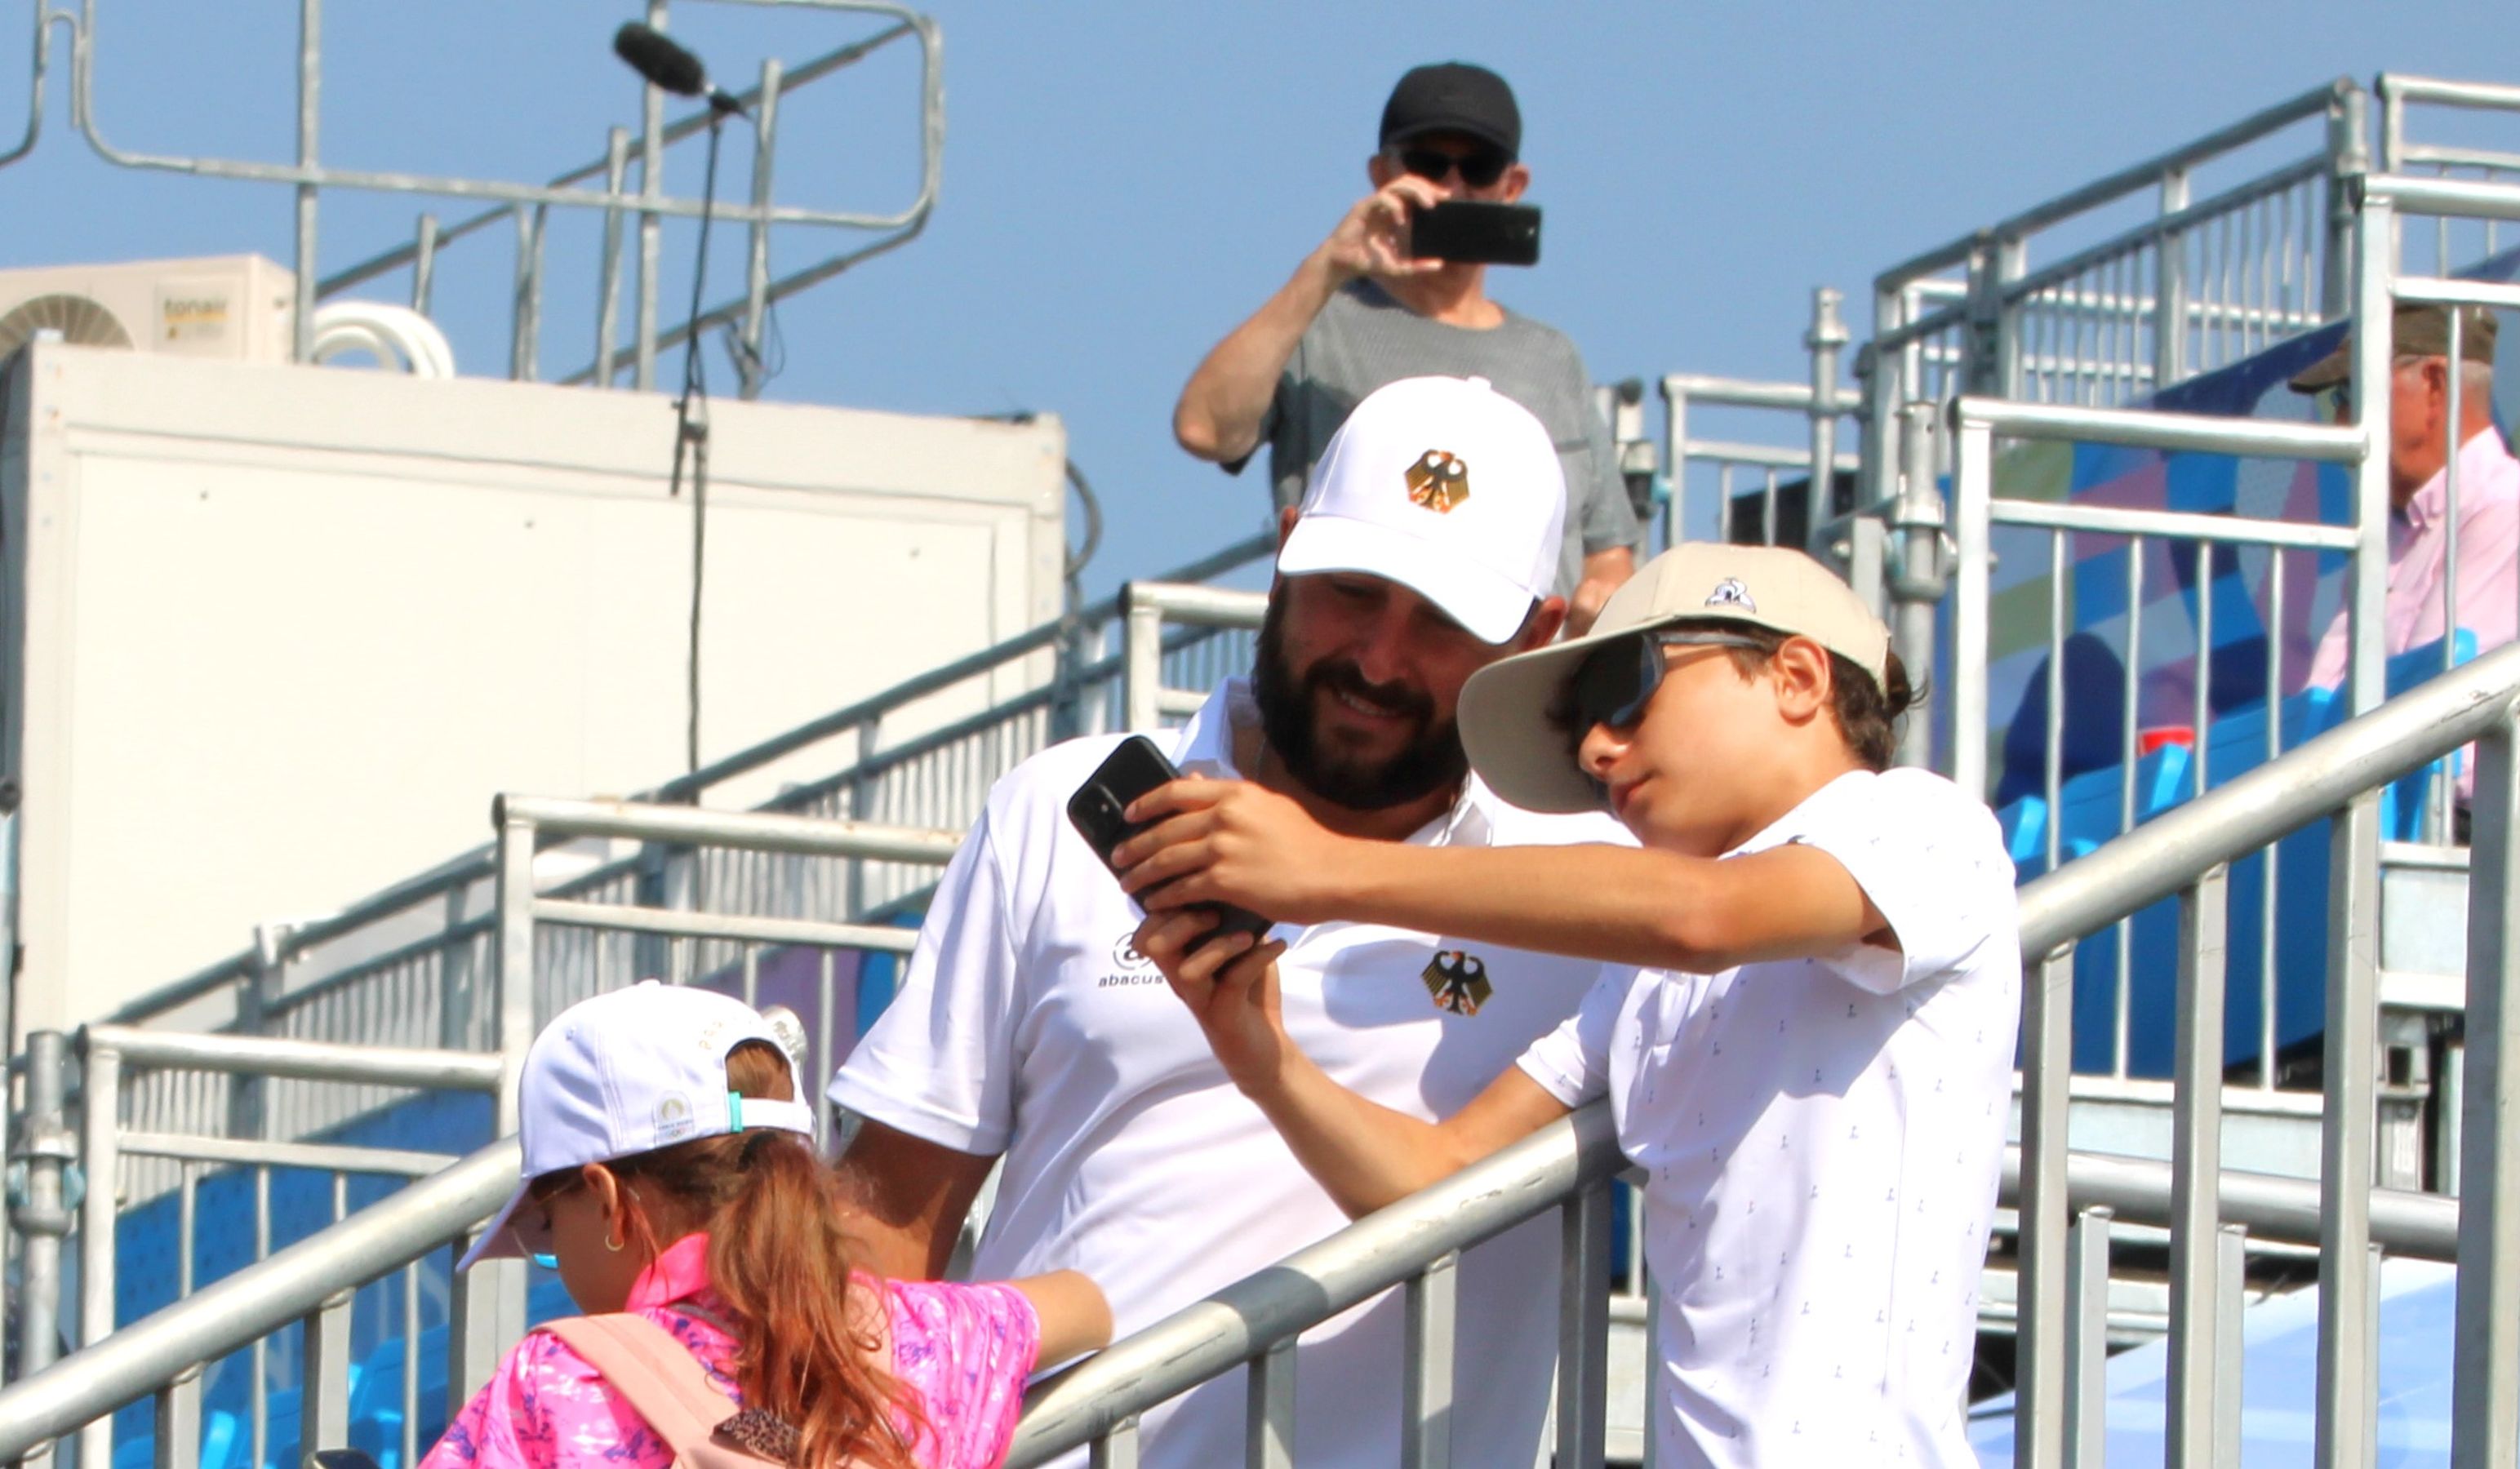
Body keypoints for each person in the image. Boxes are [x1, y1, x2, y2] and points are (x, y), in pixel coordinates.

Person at [832, 375, 1621, 1469]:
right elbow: (890, 1211)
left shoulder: (1607, 897)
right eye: (1353, 590)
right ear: (1284, 549)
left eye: (1441, 621)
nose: (1380, 659)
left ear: (1535, 635)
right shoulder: (1053, 810)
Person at [1118, 543, 2021, 1467]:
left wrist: (1329, 870)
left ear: (1795, 677)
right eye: (1585, 735)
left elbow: (1704, 916)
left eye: (1628, 691)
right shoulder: (1641, 974)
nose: (1597, 749)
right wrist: (1257, 1049)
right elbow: (1440, 1180)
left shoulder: (1922, 822)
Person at [427, 982, 1108, 1469]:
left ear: (608, 1202)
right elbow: (1088, 1307)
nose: (556, 1258)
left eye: (546, 1228)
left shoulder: (553, 1381)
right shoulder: (918, 1338)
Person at [1173, 61, 1639, 635]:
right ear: (1380, 176)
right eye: (1426, 163)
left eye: (1478, 167)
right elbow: (1204, 430)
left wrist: (1603, 598)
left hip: (1515, 701)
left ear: (1511, 187)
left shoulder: (1552, 360)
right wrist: (1326, 268)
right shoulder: (1317, 328)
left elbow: (1607, 552)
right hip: (1362, 674)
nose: (1450, 186)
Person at [2292, 301, 2520, 793]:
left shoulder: (2514, 509)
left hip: (2464, 843)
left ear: (2434, 385)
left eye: (2351, 392)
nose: (2340, 422)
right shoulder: (2393, 534)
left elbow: (2439, 727)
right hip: (2387, 820)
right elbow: (2319, 704)